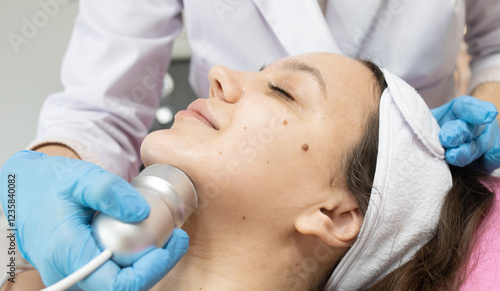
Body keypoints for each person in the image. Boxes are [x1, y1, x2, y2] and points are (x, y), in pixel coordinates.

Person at [1, 0, 500, 289]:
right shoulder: (43, 267)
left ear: (335, 214)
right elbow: (99, 106)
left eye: (283, 91)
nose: (216, 75)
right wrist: (19, 215)